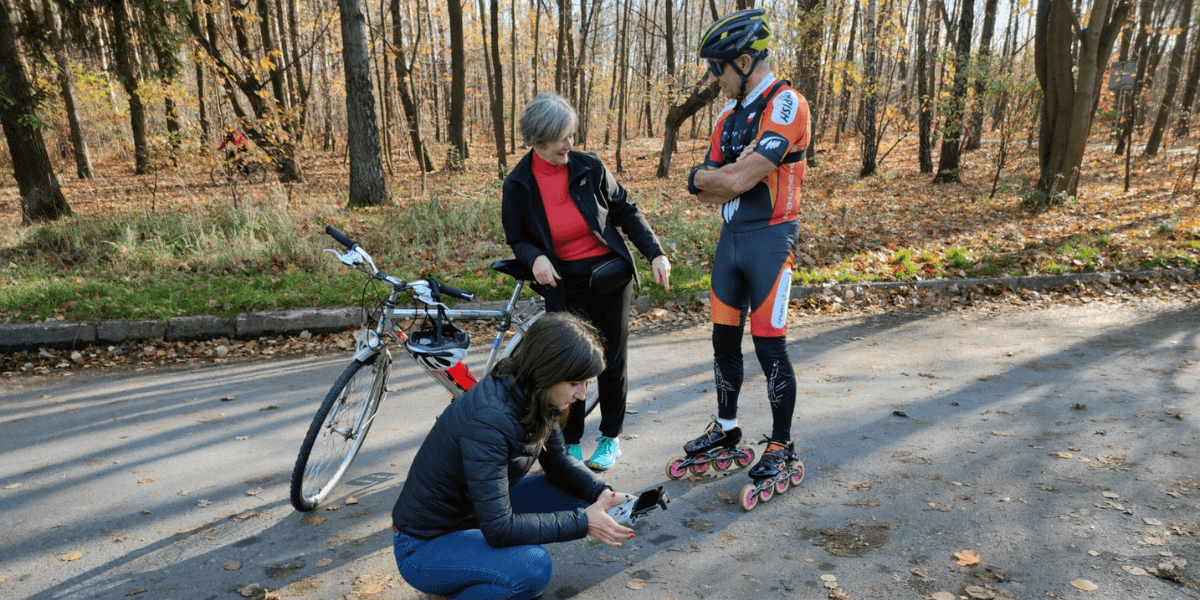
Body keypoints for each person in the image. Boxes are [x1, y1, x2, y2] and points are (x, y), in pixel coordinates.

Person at [391, 313, 639, 600]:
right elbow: (499, 529)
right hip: (424, 546)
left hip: (471, 516)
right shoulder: (490, 421)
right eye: (575, 383)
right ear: (548, 372)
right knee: (531, 568)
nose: (582, 395)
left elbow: (558, 461)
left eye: (586, 383)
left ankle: (472, 575)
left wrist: (602, 492)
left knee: (584, 498)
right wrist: (584, 523)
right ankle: (460, 585)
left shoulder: (534, 391)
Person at [501, 92, 671, 471]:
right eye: (561, 137)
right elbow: (518, 238)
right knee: (569, 364)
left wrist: (655, 253)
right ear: (538, 138)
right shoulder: (518, 184)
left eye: (572, 135)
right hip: (563, 282)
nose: (570, 144)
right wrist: (536, 257)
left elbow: (626, 211)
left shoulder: (589, 167)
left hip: (610, 276)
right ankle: (571, 441)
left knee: (612, 360)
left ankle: (610, 438)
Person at [683, 9, 811, 485]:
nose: (713, 79)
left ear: (741, 60)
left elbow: (736, 177)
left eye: (716, 68)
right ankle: (726, 427)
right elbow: (698, 187)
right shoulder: (727, 118)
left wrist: (721, 178)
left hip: (771, 242)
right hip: (731, 241)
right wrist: (712, 178)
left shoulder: (787, 104)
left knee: (770, 348)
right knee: (722, 342)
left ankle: (780, 443)